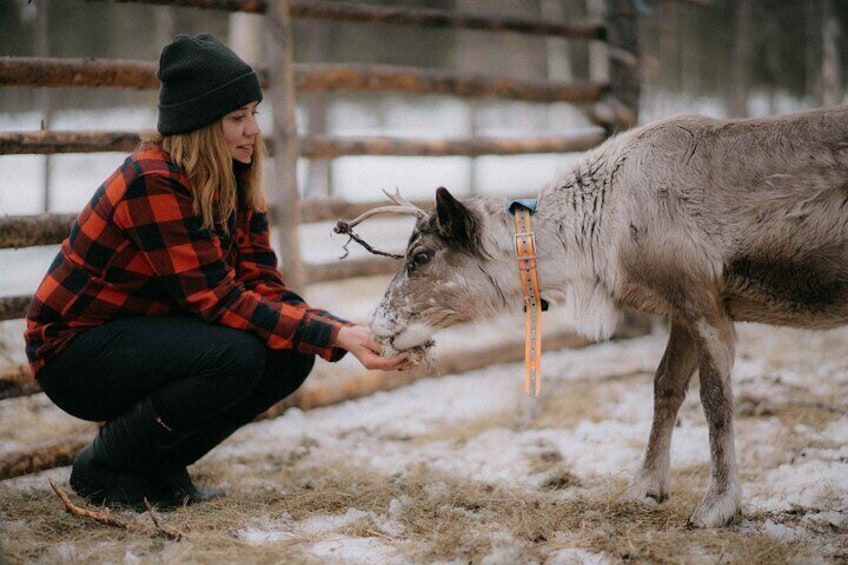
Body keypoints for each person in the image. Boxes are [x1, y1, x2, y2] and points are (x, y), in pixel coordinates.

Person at [24, 33, 407, 510]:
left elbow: (262, 285)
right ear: (200, 125)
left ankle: (156, 464)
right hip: (74, 351)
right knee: (238, 355)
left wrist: (340, 332)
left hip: (147, 336)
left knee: (291, 354)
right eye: (236, 118)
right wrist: (335, 335)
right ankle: (104, 465)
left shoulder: (236, 176)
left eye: (254, 114)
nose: (252, 130)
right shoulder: (152, 180)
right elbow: (218, 300)